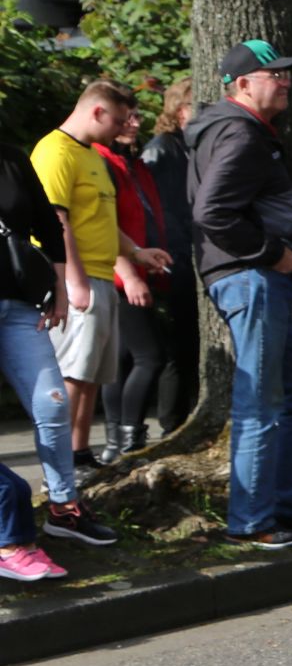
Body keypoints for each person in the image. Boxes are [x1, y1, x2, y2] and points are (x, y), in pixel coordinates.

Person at [189, 41, 292, 549]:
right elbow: (211, 212)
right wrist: (273, 253)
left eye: (286, 74)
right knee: (261, 401)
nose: (286, 82)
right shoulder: (240, 134)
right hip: (253, 277)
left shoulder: (237, 130)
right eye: (275, 75)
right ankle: (251, 522)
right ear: (244, 84)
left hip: (254, 278)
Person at [34, 82, 167, 472]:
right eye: (119, 120)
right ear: (96, 111)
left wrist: (136, 252)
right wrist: (73, 283)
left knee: (91, 373)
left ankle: (79, 454)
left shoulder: (91, 154)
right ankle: (58, 466)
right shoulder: (55, 152)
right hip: (78, 280)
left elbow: (102, 219)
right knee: (72, 374)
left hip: (102, 276)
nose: (123, 128)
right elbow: (56, 220)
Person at [2, 132, 112, 555]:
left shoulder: (12, 158)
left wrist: (61, 288)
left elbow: (49, 224)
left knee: (52, 402)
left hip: (20, 306)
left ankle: (65, 507)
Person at [98, 100, 176, 460]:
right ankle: (128, 439)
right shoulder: (104, 161)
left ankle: (118, 441)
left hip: (137, 265)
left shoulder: (133, 162)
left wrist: (148, 255)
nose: (132, 123)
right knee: (150, 356)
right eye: (125, 117)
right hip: (118, 274)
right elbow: (105, 224)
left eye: (135, 116)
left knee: (125, 358)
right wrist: (129, 273)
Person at [141, 77, 201, 431]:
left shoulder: (187, 146)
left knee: (190, 343)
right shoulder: (163, 149)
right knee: (178, 347)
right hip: (175, 257)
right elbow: (159, 207)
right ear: (181, 111)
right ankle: (171, 423)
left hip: (187, 251)